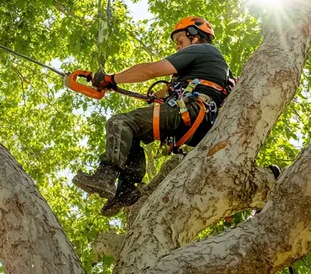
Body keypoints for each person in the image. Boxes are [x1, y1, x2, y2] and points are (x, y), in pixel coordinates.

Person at [73, 16, 232, 216]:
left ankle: (105, 175)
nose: (178, 48)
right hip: (196, 124)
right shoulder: (209, 69)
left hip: (189, 112)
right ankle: (127, 189)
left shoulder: (202, 49)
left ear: (195, 37)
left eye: (180, 42)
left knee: (121, 122)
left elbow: (150, 70)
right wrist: (114, 86)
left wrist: (110, 78)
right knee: (134, 134)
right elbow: (163, 93)